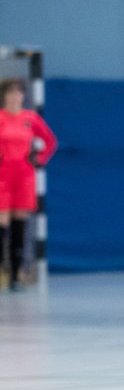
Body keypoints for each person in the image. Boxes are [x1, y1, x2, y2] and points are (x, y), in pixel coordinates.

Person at [0, 79, 57, 291]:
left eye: (18, 93)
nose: (15, 96)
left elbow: (50, 141)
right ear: (4, 96)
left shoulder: (30, 118)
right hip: (3, 175)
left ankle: (15, 275)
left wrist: (39, 160)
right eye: (10, 93)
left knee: (19, 226)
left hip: (24, 175)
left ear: (23, 96)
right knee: (2, 221)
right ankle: (3, 271)